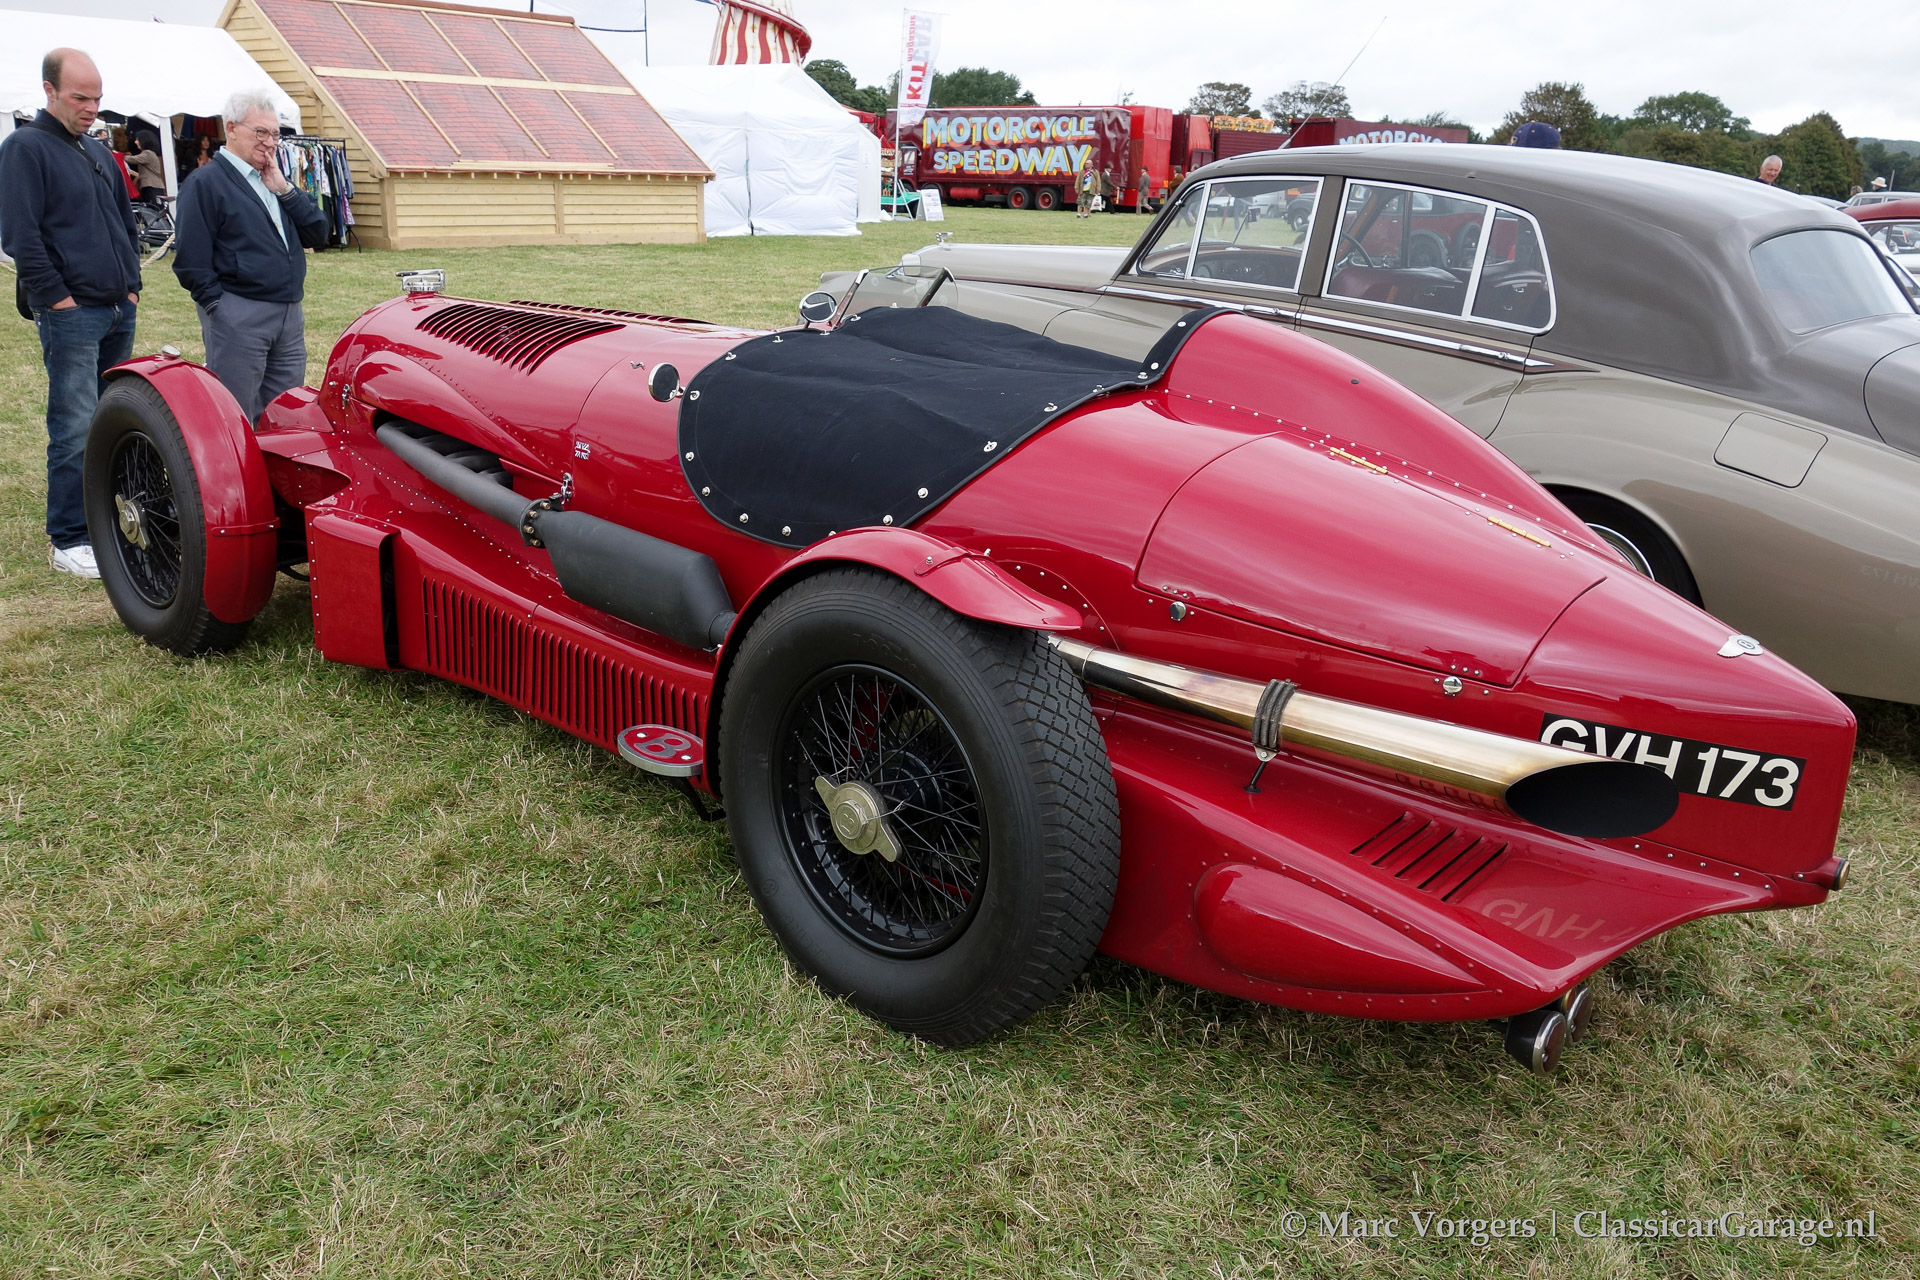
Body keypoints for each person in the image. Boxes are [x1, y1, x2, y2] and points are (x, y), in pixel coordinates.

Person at [0, 48, 142, 580]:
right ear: (49, 90)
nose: (91, 107)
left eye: (97, 98)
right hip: (71, 314)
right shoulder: (24, 148)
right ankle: (69, 537)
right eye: (80, 97)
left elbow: (125, 222)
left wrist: (131, 287)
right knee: (74, 424)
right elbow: (19, 235)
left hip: (115, 308)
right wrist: (57, 298)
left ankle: (105, 521)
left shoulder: (97, 150)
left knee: (112, 420)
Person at [173, 90, 329, 424]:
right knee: (235, 416)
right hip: (239, 312)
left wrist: (285, 190)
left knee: (285, 415)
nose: (269, 142)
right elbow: (190, 261)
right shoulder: (205, 183)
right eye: (260, 132)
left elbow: (319, 233)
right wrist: (219, 308)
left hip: (288, 314)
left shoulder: (273, 179)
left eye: (275, 134)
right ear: (231, 128)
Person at [127, 136, 165, 209]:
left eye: (137, 140)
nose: (135, 142)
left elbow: (132, 159)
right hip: (152, 186)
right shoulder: (150, 153)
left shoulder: (147, 153)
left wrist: (119, 156)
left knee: (153, 210)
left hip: (152, 186)